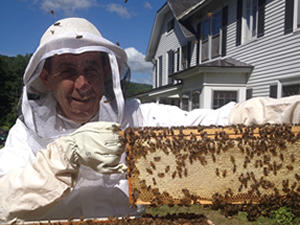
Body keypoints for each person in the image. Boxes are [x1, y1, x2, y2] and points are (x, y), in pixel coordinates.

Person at [0, 17, 299, 223]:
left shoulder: (138, 118)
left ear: (107, 74)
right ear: (46, 77)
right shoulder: (25, 137)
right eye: (67, 70)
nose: (82, 83)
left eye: (91, 68)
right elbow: (4, 202)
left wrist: (285, 113)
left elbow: (214, 122)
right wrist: (64, 156)